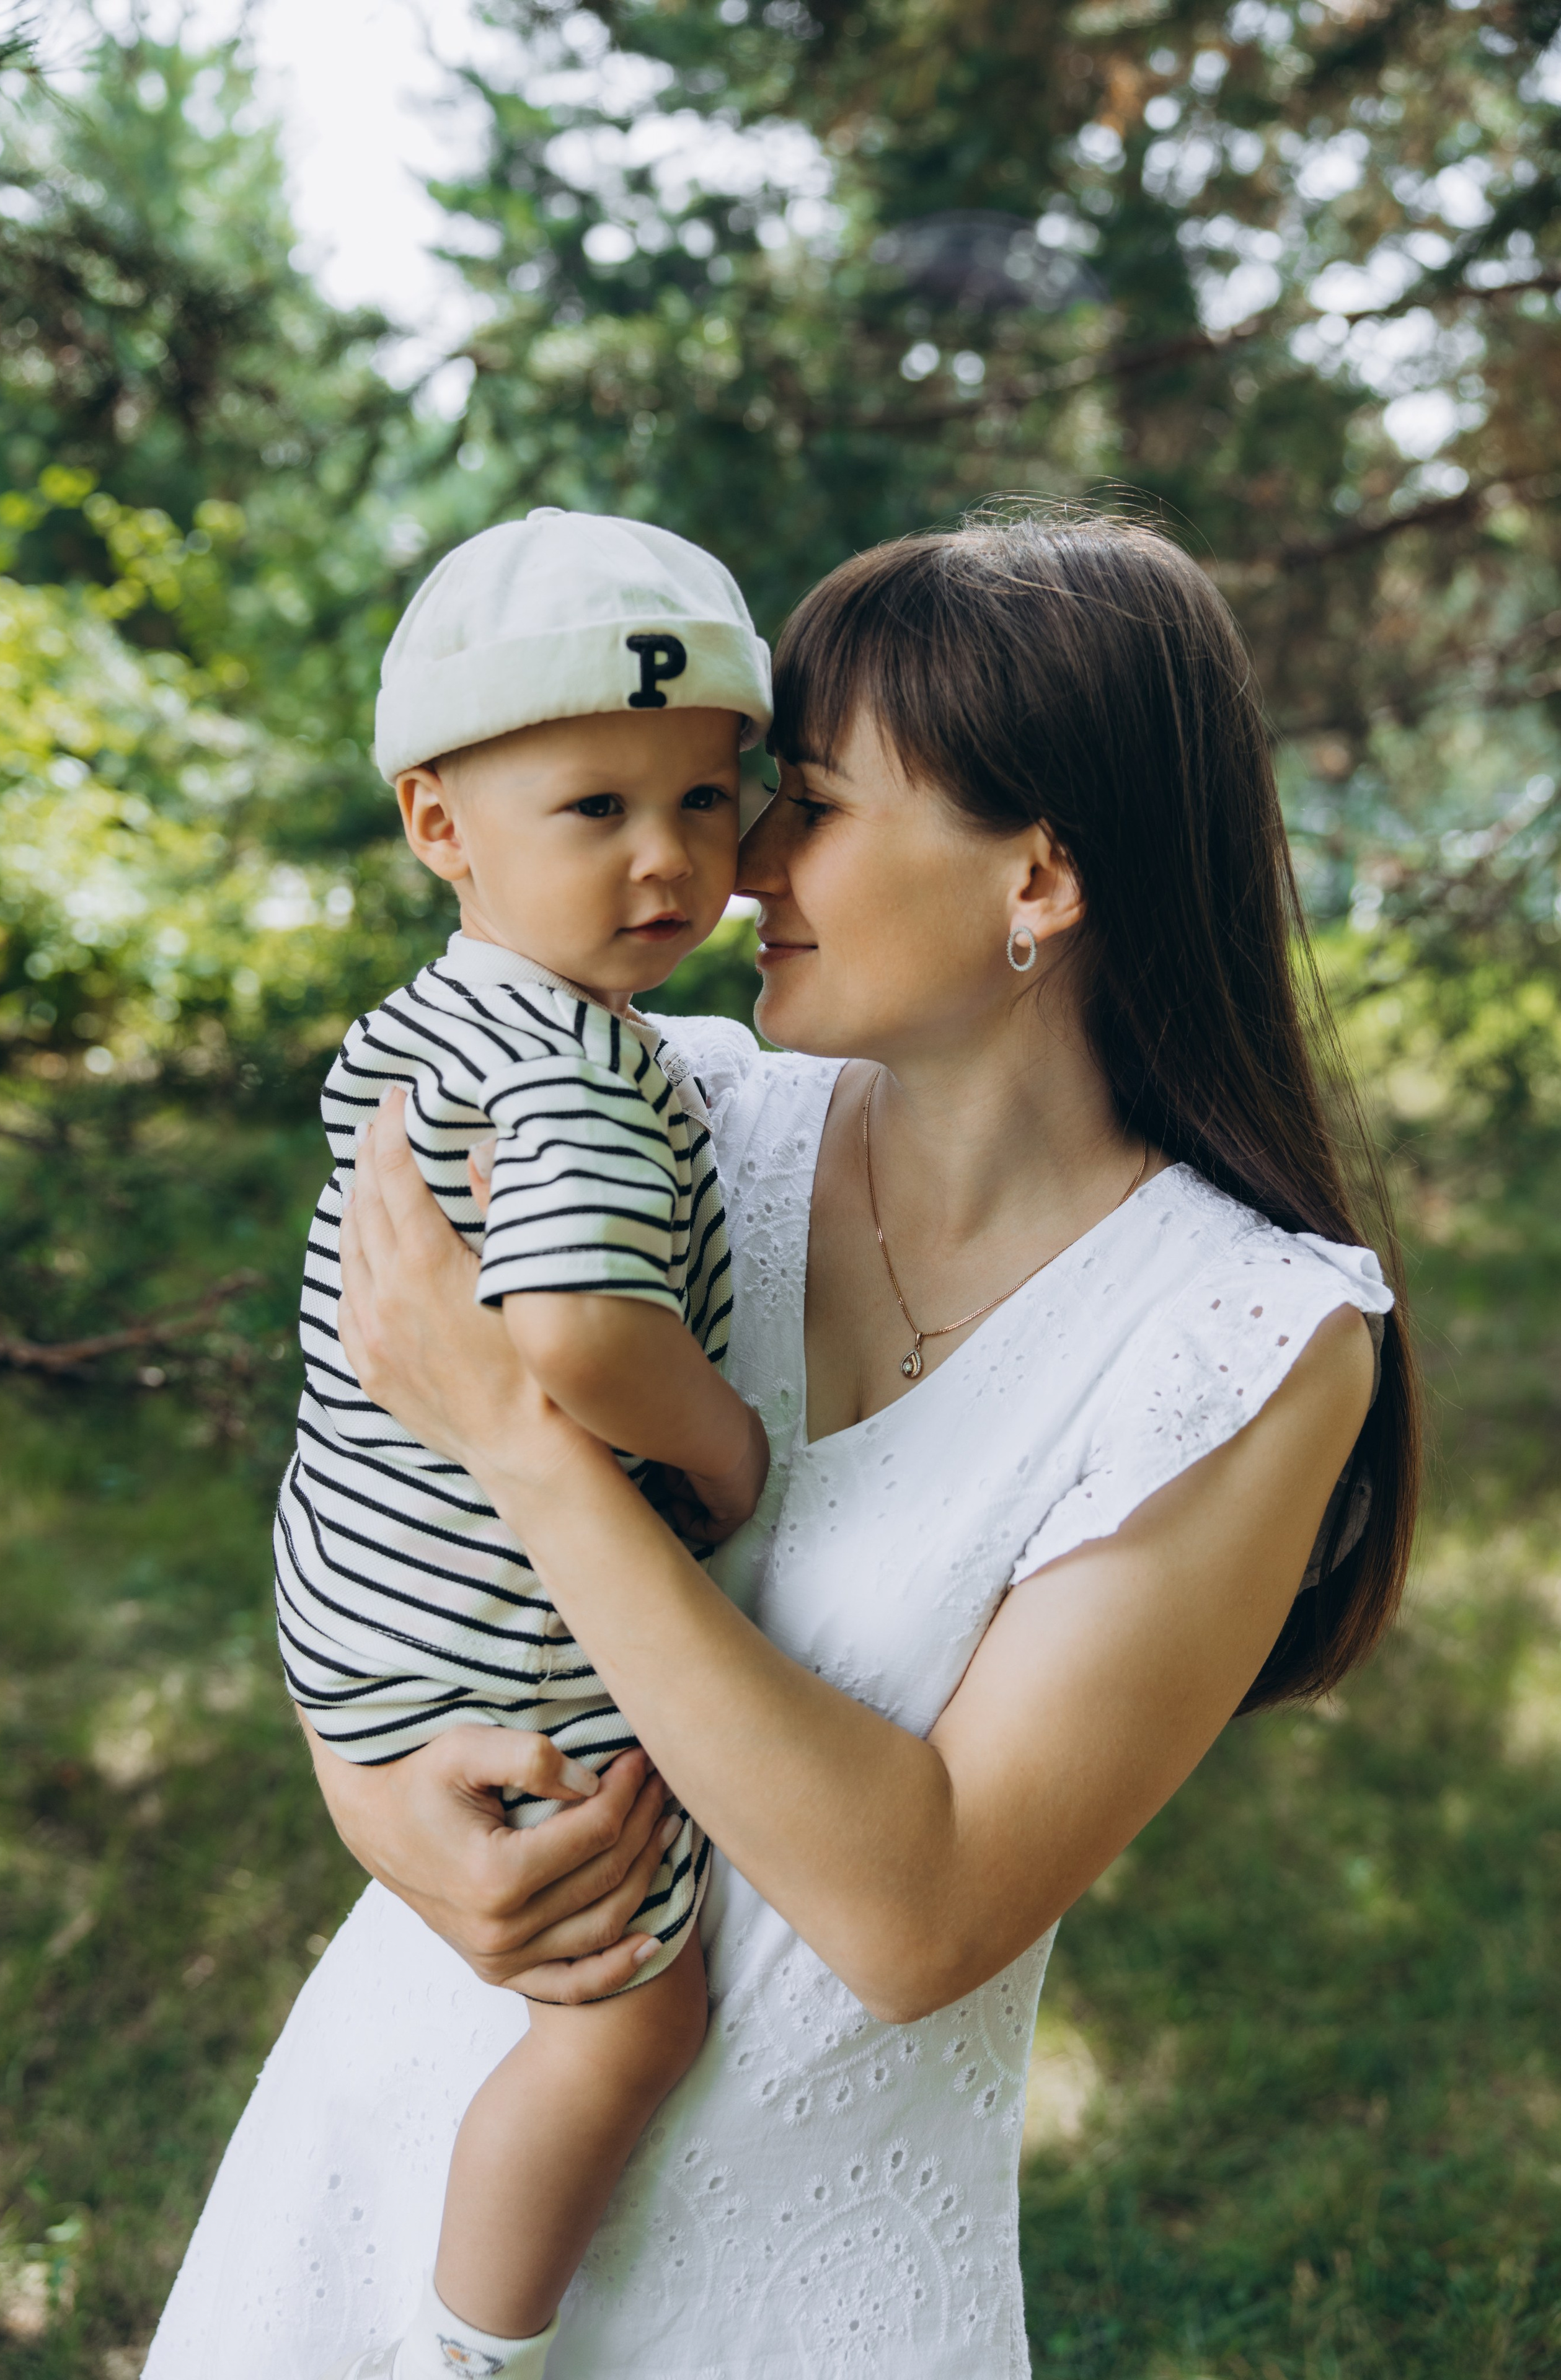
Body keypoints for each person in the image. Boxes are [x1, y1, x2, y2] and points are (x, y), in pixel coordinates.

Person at [145, 511, 1419, 2380]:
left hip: (782, 2295)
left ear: (1039, 879)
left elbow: (920, 1916)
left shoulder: (1240, 1342)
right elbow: (377, 1493)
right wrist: (376, 1802)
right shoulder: (688, 1111)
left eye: (801, 802)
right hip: (388, 2150)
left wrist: (525, 1439)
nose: (735, 871)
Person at [274, 507, 774, 2380]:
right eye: (597, 811)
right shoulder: (568, 1061)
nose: (669, 865)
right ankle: (479, 2348)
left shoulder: (438, 1024)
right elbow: (572, 1335)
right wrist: (724, 1457)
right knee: (628, 2024)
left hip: (353, 1580)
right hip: (485, 1623)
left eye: (705, 805)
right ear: (439, 823)